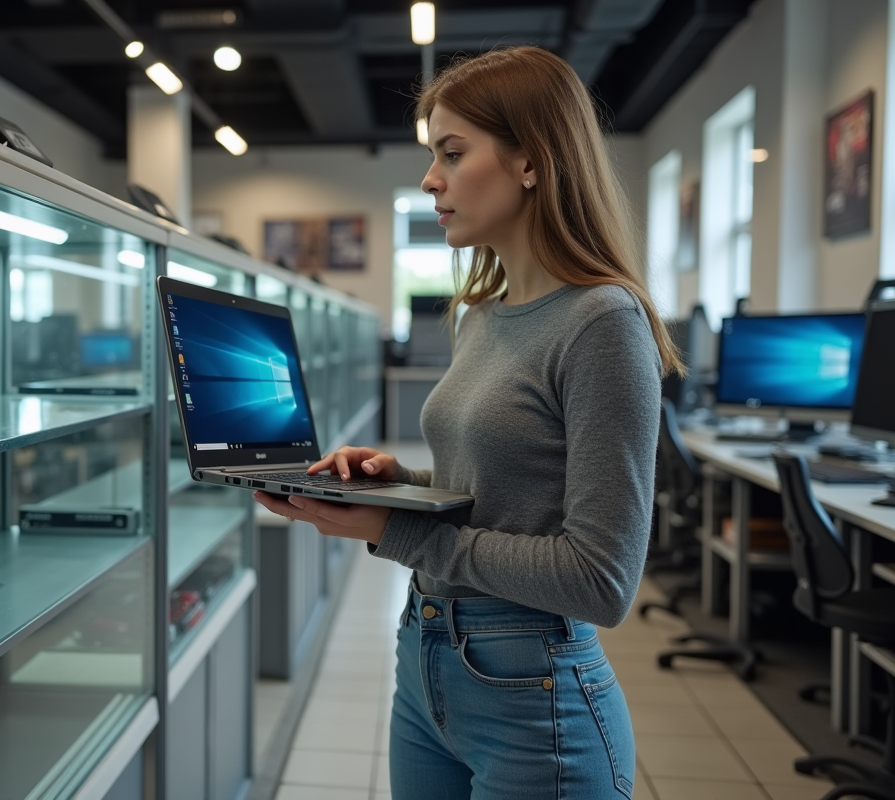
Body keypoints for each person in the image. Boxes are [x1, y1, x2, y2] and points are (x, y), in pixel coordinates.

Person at [254, 46, 683, 799]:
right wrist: (398, 486)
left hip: (533, 694)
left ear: (531, 162)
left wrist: (394, 531)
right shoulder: (481, 315)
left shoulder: (602, 322)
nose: (429, 179)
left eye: (453, 153)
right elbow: (502, 488)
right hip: (425, 660)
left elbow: (601, 579)